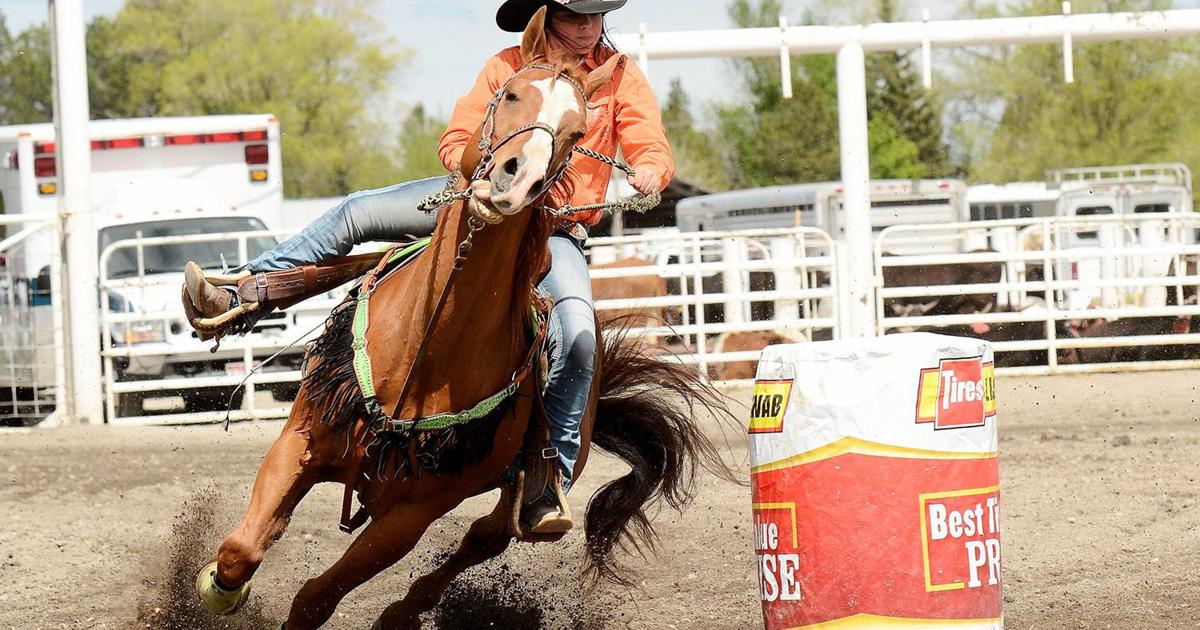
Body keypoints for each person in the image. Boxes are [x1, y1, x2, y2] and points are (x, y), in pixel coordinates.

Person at [183, 0, 674, 534]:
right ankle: (245, 292)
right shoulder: (506, 66)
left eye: (596, 16)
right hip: (474, 201)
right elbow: (456, 140)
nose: (586, 27)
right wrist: (484, 170)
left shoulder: (619, 76)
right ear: (547, 17)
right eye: (574, 16)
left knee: (578, 334)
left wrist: (650, 167)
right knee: (357, 211)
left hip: (554, 230)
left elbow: (650, 143)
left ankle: (547, 473)